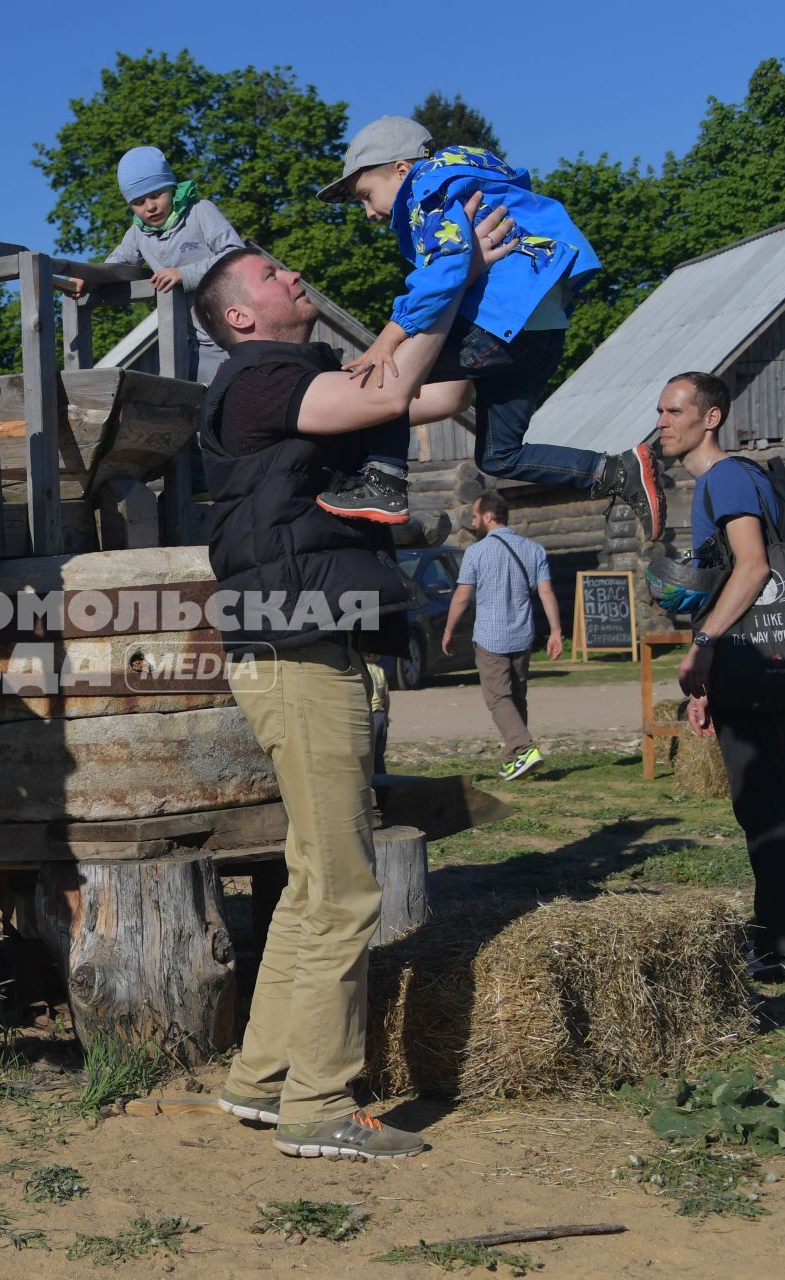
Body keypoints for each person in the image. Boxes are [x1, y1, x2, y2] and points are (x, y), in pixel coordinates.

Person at [192, 205, 517, 1161]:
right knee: (345, 891)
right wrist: (446, 272)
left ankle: (260, 1085)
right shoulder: (256, 382)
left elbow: (439, 396)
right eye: (273, 275)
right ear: (239, 318)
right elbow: (380, 395)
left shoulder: (300, 376)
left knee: (310, 880)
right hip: (296, 652)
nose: (294, 277)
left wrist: (473, 289)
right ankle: (320, 1111)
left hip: (310, 646)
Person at [314, 116, 662, 539]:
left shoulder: (430, 187)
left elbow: (445, 269)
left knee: (388, 379)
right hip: (541, 332)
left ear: (401, 170)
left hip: (499, 322)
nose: (369, 213)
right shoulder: (478, 180)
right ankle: (614, 470)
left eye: (367, 196)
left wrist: (391, 335)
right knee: (499, 457)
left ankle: (384, 481)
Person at [658, 372, 785, 980]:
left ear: (712, 417)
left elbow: (752, 568)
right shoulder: (728, 479)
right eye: (660, 411)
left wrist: (702, 645)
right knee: (764, 798)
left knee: (765, 800)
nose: (663, 422)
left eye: (676, 410)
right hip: (747, 661)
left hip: (750, 656)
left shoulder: (725, 477)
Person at [67, 145, 248, 382]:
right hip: (193, 343)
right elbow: (117, 263)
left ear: (171, 188)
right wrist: (89, 278)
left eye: (156, 195)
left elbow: (236, 255)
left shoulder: (200, 212)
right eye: (139, 202)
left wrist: (185, 274)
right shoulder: (138, 234)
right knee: (199, 406)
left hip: (235, 331)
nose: (150, 206)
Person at [442, 492, 564, 780]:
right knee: (517, 697)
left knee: (498, 699)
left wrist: (448, 630)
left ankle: (524, 747)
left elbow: (462, 596)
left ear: (487, 516)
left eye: (474, 516)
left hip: (490, 636)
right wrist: (556, 631)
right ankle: (514, 760)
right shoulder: (534, 550)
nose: (472, 523)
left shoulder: (476, 552)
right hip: (522, 634)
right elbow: (546, 592)